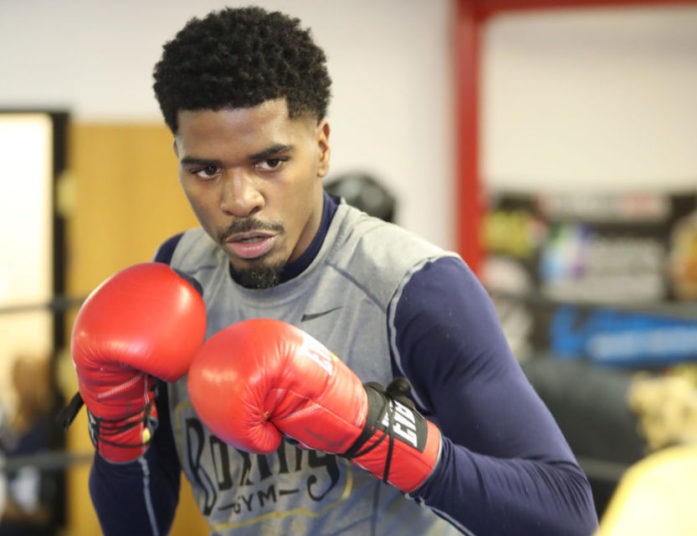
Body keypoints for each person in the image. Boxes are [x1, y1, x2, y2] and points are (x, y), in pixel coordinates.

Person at [67, 6, 598, 535]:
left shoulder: (414, 288)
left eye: (270, 162)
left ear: (321, 148)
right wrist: (118, 422)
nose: (240, 199)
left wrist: (377, 431)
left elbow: (566, 516)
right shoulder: (176, 280)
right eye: (206, 170)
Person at [1, 354, 66, 536]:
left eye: (33, 377)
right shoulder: (5, 431)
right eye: (23, 377)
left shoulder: (51, 428)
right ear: (14, 381)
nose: (28, 384)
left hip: (39, 528)